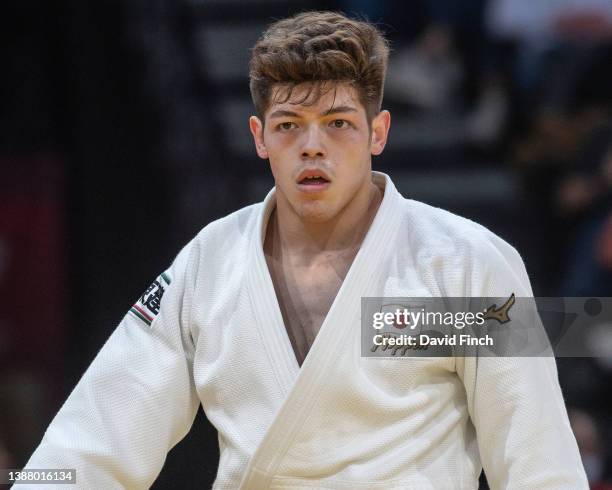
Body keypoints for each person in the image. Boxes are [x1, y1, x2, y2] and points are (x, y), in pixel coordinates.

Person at [21, 11, 588, 489]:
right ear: (259, 136)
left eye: (338, 123)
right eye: (289, 124)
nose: (312, 147)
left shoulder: (468, 262)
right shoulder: (209, 263)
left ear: (378, 132)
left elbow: (539, 458)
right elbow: (95, 437)